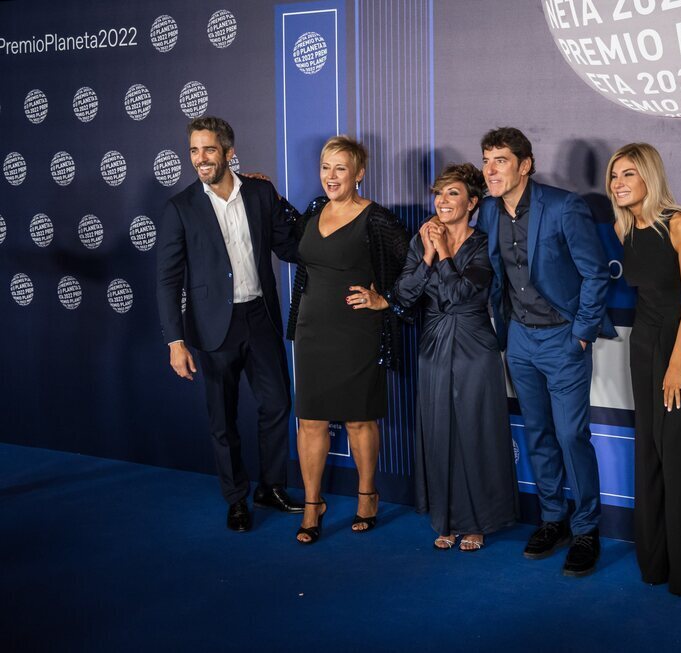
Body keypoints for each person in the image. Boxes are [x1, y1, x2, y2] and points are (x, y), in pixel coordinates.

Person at [477, 127, 615, 577]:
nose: (491, 169)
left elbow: (595, 274)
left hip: (562, 337)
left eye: (500, 160)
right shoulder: (487, 212)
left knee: (571, 435)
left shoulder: (563, 206)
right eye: (486, 160)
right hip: (518, 338)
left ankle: (587, 528)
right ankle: (553, 518)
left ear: (525, 164)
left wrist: (581, 332)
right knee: (536, 433)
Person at [157, 115, 304, 532]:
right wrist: (175, 342)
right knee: (223, 419)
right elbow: (167, 280)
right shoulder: (180, 208)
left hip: (258, 316)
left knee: (277, 404)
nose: (200, 159)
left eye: (208, 150)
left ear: (228, 151)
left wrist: (331, 223)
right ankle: (236, 498)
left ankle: (271, 487)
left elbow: (290, 246)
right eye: (193, 151)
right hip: (212, 325)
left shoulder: (258, 192)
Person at [285, 135, 409, 544]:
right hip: (311, 329)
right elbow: (288, 242)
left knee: (359, 418)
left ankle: (367, 495)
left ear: (360, 173)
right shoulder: (315, 209)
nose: (331, 176)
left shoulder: (376, 219)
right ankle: (312, 503)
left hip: (357, 331)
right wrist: (257, 189)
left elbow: (412, 263)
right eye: (325, 168)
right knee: (311, 420)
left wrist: (385, 300)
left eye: (341, 168)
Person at [606, 143, 681, 595]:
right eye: (614, 175)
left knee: (679, 454)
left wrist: (676, 365)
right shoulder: (623, 226)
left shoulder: (680, 224)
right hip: (645, 341)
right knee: (648, 449)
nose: (618, 183)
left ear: (650, 177)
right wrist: (652, 353)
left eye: (628, 174)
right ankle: (655, 562)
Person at [394, 163, 518, 552]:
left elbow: (463, 295)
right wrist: (429, 255)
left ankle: (478, 520)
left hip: (475, 344)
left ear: (472, 202)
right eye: (439, 193)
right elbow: (404, 295)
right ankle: (445, 518)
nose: (442, 201)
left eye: (453, 194)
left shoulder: (484, 244)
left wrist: (445, 253)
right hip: (432, 345)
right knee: (439, 431)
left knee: (475, 432)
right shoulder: (422, 241)